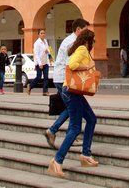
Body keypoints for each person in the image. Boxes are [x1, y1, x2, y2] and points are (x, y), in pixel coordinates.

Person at [48, 29, 98, 177]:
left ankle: (86, 155)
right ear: (88, 40)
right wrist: (88, 67)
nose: (94, 44)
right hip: (71, 92)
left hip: (73, 92)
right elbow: (72, 65)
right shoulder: (82, 49)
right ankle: (57, 161)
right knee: (75, 128)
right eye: (93, 41)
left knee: (91, 119)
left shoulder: (80, 49)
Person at [43, 18, 89, 149]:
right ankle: (53, 130)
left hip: (62, 77)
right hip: (64, 78)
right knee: (72, 108)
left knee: (71, 108)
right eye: (85, 30)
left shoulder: (71, 40)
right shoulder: (72, 42)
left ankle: (63, 133)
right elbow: (71, 64)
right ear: (78, 29)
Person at [28, 29, 51, 95]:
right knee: (39, 77)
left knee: (46, 77)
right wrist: (40, 63)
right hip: (39, 62)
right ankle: (30, 86)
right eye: (41, 33)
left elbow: (48, 49)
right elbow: (36, 54)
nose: (43, 34)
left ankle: (45, 91)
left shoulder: (45, 41)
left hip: (46, 61)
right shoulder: (37, 43)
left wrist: (48, 51)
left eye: (44, 33)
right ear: (38, 35)